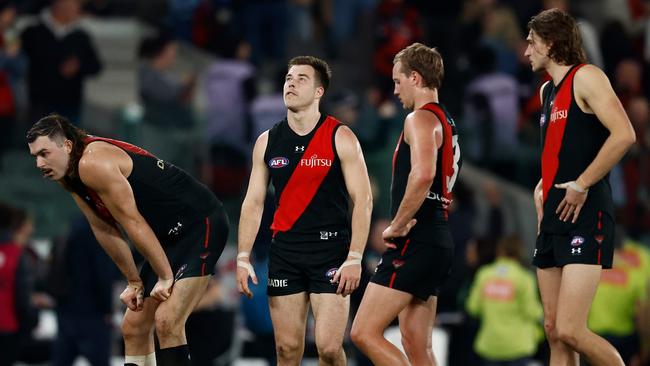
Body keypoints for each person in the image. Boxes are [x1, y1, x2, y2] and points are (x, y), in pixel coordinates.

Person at [26, 114, 229, 366]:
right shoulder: (68, 174)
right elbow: (103, 227)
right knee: (133, 326)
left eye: (44, 153)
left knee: (167, 320)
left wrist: (165, 276)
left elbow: (133, 222)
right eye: (35, 155)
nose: (39, 163)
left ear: (67, 145)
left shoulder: (92, 163)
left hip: (201, 222)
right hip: (170, 236)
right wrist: (134, 281)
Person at [236, 55, 373, 366]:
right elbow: (253, 202)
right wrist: (243, 257)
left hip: (332, 253)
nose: (291, 83)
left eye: (301, 79)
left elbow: (363, 199)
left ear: (319, 92)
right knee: (286, 350)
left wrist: (354, 257)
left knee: (327, 348)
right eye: (288, 78)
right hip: (285, 253)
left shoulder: (341, 137)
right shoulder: (267, 141)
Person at [525, 8, 636, 366]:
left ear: (551, 43)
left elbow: (624, 134)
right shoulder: (546, 91)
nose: (526, 51)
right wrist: (544, 185)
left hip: (586, 212)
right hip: (554, 215)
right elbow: (564, 145)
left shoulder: (586, 77)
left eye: (532, 43)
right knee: (555, 329)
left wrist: (583, 183)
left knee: (572, 329)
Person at [351, 42, 462, 366]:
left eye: (398, 81)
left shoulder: (420, 119)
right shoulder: (447, 121)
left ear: (415, 78)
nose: (395, 90)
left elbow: (423, 174)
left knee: (363, 332)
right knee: (417, 345)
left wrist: (397, 223)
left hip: (417, 239)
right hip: (438, 239)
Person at [21, 0, 102, 124]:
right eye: (74, 4)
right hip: (40, 105)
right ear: (59, 4)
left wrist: (78, 66)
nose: (77, 9)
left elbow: (96, 66)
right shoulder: (33, 32)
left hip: (70, 105)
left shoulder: (81, 36)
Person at [466, 235, 543, 366]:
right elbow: (532, 311)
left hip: (490, 344)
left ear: (499, 251)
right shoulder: (524, 278)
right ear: (520, 252)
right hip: (519, 345)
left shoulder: (484, 274)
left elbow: (473, 307)